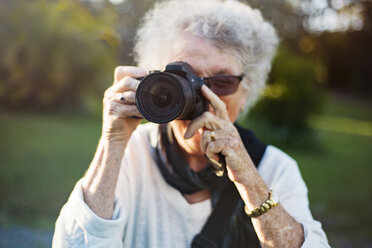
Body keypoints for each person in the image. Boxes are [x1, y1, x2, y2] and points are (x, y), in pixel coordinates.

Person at [53, 0, 330, 247]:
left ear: (246, 94)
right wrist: (112, 143)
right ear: (156, 79)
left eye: (222, 82)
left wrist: (247, 176)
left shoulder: (274, 169)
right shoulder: (131, 153)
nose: (200, 95)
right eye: (185, 78)